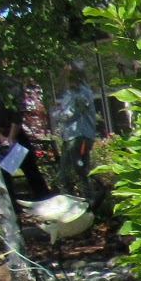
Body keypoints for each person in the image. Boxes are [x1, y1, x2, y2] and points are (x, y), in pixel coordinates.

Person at [0, 72, 51, 200]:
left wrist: (7, 139)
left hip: (8, 134)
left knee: (29, 168)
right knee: (7, 174)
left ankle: (43, 200)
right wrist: (5, 139)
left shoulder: (9, 84)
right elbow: (14, 116)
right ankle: (14, 205)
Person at [52, 63, 100, 199]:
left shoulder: (77, 91)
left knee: (74, 170)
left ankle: (88, 198)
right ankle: (86, 197)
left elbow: (71, 113)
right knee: (74, 170)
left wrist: (56, 114)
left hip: (77, 136)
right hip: (77, 136)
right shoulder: (82, 91)